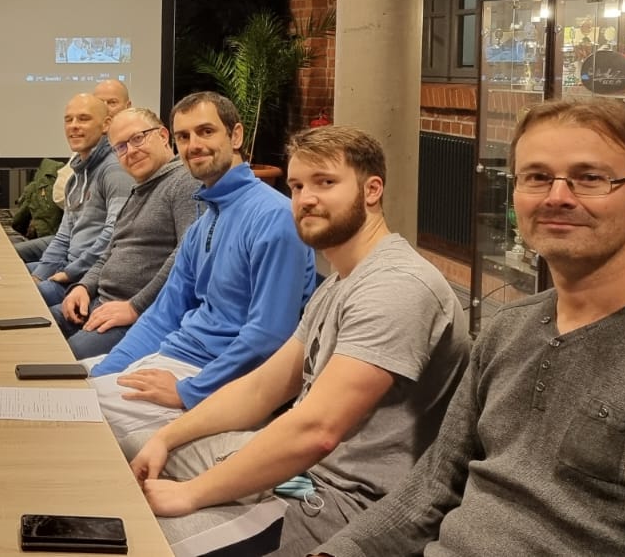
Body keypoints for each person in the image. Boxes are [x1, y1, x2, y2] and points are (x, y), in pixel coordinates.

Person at [315, 98, 625, 557]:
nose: (557, 196)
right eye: (537, 177)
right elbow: (435, 483)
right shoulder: (507, 329)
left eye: (590, 178)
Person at [131, 125, 470, 557]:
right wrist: (165, 438)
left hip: (342, 503)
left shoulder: (398, 287)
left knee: (145, 537)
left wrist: (192, 494)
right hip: (302, 476)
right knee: (132, 454)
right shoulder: (339, 282)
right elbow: (260, 390)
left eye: (325, 183)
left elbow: (317, 432)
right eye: (296, 186)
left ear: (372, 190)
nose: (305, 199)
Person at [90, 92, 316, 458]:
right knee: (72, 393)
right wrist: (104, 371)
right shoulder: (205, 219)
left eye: (206, 131)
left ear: (236, 136)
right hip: (176, 358)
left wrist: (189, 391)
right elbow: (163, 314)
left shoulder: (274, 218)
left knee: (78, 421)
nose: (194, 145)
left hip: (213, 378)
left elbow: (267, 336)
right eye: (184, 136)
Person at [57, 107, 202, 360]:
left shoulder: (184, 182)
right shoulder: (140, 189)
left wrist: (135, 307)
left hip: (136, 317)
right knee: (32, 332)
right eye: (120, 147)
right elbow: (110, 251)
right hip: (98, 303)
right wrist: (83, 287)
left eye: (138, 138)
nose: (131, 151)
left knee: (59, 359)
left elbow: (185, 257)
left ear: (163, 135)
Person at [22, 94, 135, 307]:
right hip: (68, 266)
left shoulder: (114, 171)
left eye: (83, 119)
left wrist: (68, 273)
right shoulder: (76, 175)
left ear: (106, 125)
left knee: (20, 298)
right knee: (8, 279)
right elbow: (64, 236)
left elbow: (114, 235)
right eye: (68, 119)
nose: (73, 126)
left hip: (88, 279)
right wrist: (39, 276)